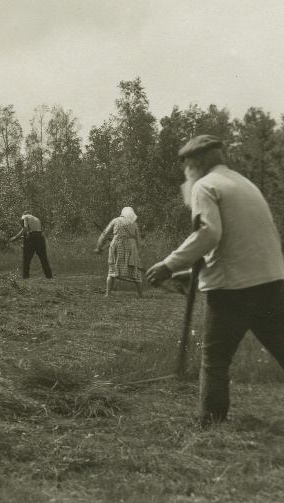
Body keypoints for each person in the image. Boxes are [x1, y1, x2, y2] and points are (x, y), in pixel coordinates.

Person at [146, 135, 284, 428]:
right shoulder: (244, 185)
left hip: (233, 292)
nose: (186, 171)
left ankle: (211, 424)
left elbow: (209, 234)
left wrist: (169, 265)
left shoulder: (204, 186)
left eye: (186, 164)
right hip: (271, 283)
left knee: (214, 359)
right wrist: (194, 274)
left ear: (196, 162)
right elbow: (237, 243)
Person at [95, 207, 143, 298]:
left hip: (117, 246)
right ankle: (141, 295)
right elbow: (138, 240)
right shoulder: (134, 223)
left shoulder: (115, 221)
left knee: (112, 270)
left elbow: (105, 234)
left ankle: (108, 294)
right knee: (136, 272)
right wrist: (138, 253)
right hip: (131, 249)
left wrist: (98, 247)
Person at [9, 212, 52, 279]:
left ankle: (25, 278)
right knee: (43, 259)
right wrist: (19, 238)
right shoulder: (36, 218)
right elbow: (34, 232)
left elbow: (25, 229)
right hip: (40, 237)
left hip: (31, 239)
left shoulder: (24, 217)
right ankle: (49, 277)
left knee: (26, 259)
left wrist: (15, 238)